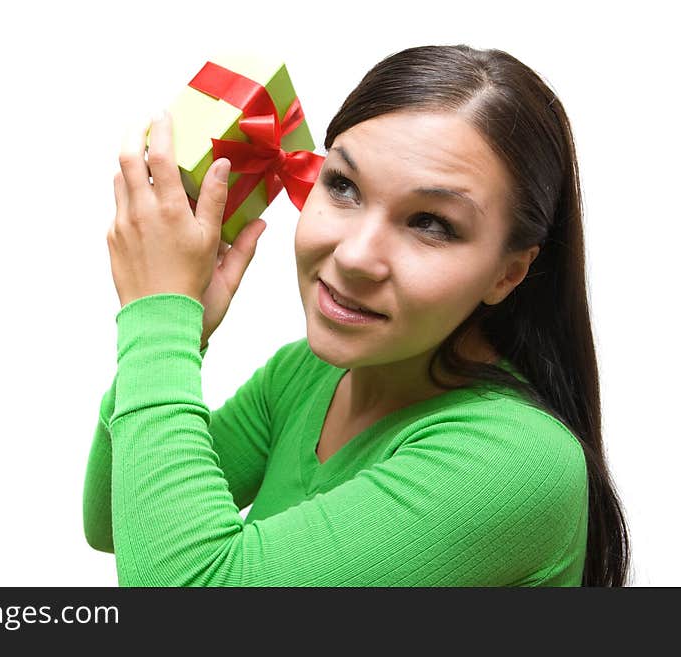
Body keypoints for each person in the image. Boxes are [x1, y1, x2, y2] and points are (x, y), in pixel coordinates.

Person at [84, 44, 631, 586]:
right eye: (343, 186)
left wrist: (157, 317)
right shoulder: (305, 376)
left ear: (507, 273)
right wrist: (181, 333)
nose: (354, 255)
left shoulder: (518, 462)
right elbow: (115, 520)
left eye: (431, 224)